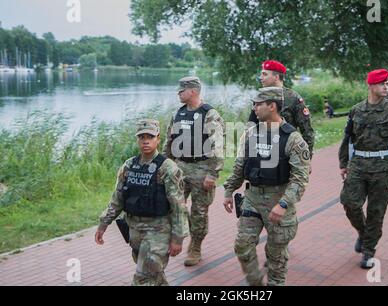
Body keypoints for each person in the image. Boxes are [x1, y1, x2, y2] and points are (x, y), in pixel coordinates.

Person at [223, 87, 310, 286]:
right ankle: (255, 283)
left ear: (272, 106)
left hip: (278, 200)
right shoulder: (251, 133)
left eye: (258, 104)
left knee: (276, 256)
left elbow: (300, 179)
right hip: (251, 199)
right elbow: (240, 165)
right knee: (242, 246)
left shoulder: (293, 139)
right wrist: (229, 190)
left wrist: (284, 204)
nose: (254, 108)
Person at [95, 119, 189, 285]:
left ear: (158, 139)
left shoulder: (167, 168)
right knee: (154, 277)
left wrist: (178, 238)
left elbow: (178, 206)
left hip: (158, 233)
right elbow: (117, 200)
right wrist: (104, 223)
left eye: (150, 136)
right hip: (135, 233)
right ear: (137, 139)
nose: (146, 140)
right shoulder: (129, 166)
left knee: (142, 278)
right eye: (142, 137)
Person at [338, 69, 388, 269]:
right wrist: (343, 163)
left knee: (376, 211)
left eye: (387, 83)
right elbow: (347, 138)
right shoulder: (356, 110)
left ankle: (368, 251)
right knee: (349, 203)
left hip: (381, 169)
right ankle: (364, 233)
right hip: (358, 165)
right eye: (381, 84)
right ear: (371, 86)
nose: (386, 86)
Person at [163, 76, 225, 266]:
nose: (178, 93)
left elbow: (219, 145)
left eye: (182, 90)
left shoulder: (209, 114)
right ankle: (176, 237)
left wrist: (213, 173)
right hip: (180, 168)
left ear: (193, 91)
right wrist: (164, 165)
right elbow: (169, 141)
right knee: (173, 205)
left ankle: (195, 247)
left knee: (199, 211)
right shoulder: (178, 113)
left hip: (202, 168)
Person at [248, 60, 315, 161]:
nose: (261, 78)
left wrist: (306, 159)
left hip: (287, 154)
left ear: (276, 77)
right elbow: (251, 127)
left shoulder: (293, 98)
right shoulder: (260, 98)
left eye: (264, 74)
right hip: (264, 153)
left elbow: (307, 131)